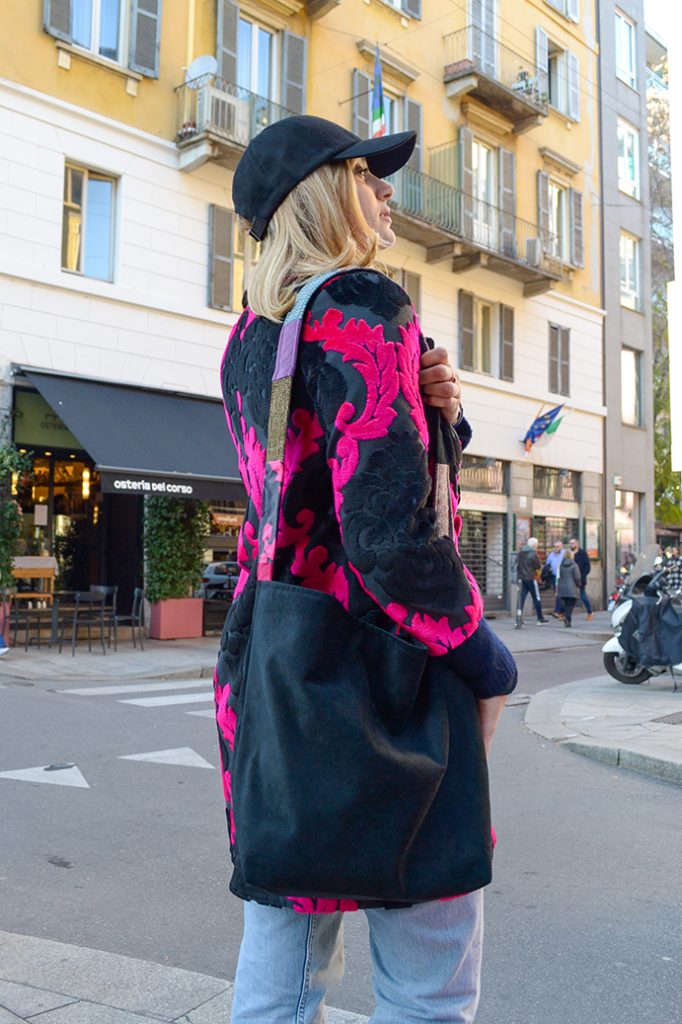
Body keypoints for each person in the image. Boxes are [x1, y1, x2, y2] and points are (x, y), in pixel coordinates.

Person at [215, 114, 518, 1023]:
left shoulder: (249, 337)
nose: (386, 190)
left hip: (277, 671)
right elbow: (387, 532)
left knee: (283, 964)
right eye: (363, 173)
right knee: (427, 984)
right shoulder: (366, 305)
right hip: (387, 675)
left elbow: (304, 484)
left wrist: (441, 419)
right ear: (320, 196)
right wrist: (483, 659)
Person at [517, 537, 549, 623]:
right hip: (531, 578)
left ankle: (519, 617)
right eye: (537, 545)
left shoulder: (521, 553)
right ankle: (540, 618)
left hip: (522, 578)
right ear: (534, 545)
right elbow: (538, 566)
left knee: (521, 598)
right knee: (536, 597)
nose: (537, 546)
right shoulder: (533, 553)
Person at [568, 537, 593, 619]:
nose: (571, 545)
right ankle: (566, 614)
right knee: (569, 596)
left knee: (582, 595)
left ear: (577, 544)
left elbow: (587, 566)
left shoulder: (583, 553)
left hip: (580, 578)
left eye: (572, 543)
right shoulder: (569, 554)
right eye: (570, 543)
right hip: (570, 578)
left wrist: (582, 575)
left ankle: (590, 612)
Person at [556, 548, 582, 627]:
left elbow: (559, 576)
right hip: (572, 588)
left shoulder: (561, 565)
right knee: (570, 605)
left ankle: (567, 619)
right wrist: (579, 584)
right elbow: (577, 577)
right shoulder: (574, 565)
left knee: (566, 604)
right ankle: (567, 619)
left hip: (562, 588)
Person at [545, 540, 565, 618]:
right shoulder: (551, 555)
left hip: (562, 577)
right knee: (556, 593)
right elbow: (547, 564)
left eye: (557, 546)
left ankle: (557, 611)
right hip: (554, 576)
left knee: (559, 594)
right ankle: (561, 611)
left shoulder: (564, 554)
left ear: (561, 547)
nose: (556, 548)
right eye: (555, 546)